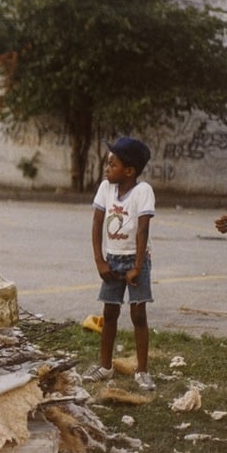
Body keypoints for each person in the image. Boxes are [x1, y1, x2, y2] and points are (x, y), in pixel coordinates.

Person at [84, 136, 156, 390]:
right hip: (112, 260)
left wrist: (137, 266)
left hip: (137, 260)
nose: (107, 169)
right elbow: (96, 224)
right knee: (110, 312)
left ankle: (143, 371)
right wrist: (99, 261)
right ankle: (105, 367)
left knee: (138, 313)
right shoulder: (106, 188)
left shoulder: (143, 191)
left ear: (129, 171)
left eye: (112, 165)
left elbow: (142, 230)